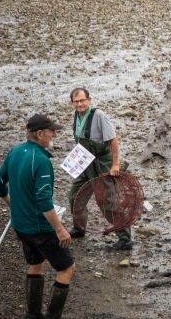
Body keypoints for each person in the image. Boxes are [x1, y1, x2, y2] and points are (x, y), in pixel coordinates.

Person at [0, 114, 75, 319]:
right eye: (51, 131)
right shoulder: (41, 160)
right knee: (67, 268)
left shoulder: (15, 151)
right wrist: (60, 229)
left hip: (20, 225)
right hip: (40, 229)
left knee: (36, 263)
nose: (54, 134)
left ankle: (32, 315)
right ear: (40, 134)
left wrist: (13, 204)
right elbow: (44, 201)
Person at [67, 87, 132, 250]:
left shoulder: (99, 116)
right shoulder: (76, 115)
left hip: (102, 163)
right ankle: (79, 228)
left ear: (89, 100)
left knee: (108, 202)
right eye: (76, 101)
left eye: (83, 100)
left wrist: (115, 164)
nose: (80, 104)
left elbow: (113, 141)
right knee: (74, 196)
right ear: (72, 103)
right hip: (85, 162)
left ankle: (125, 239)